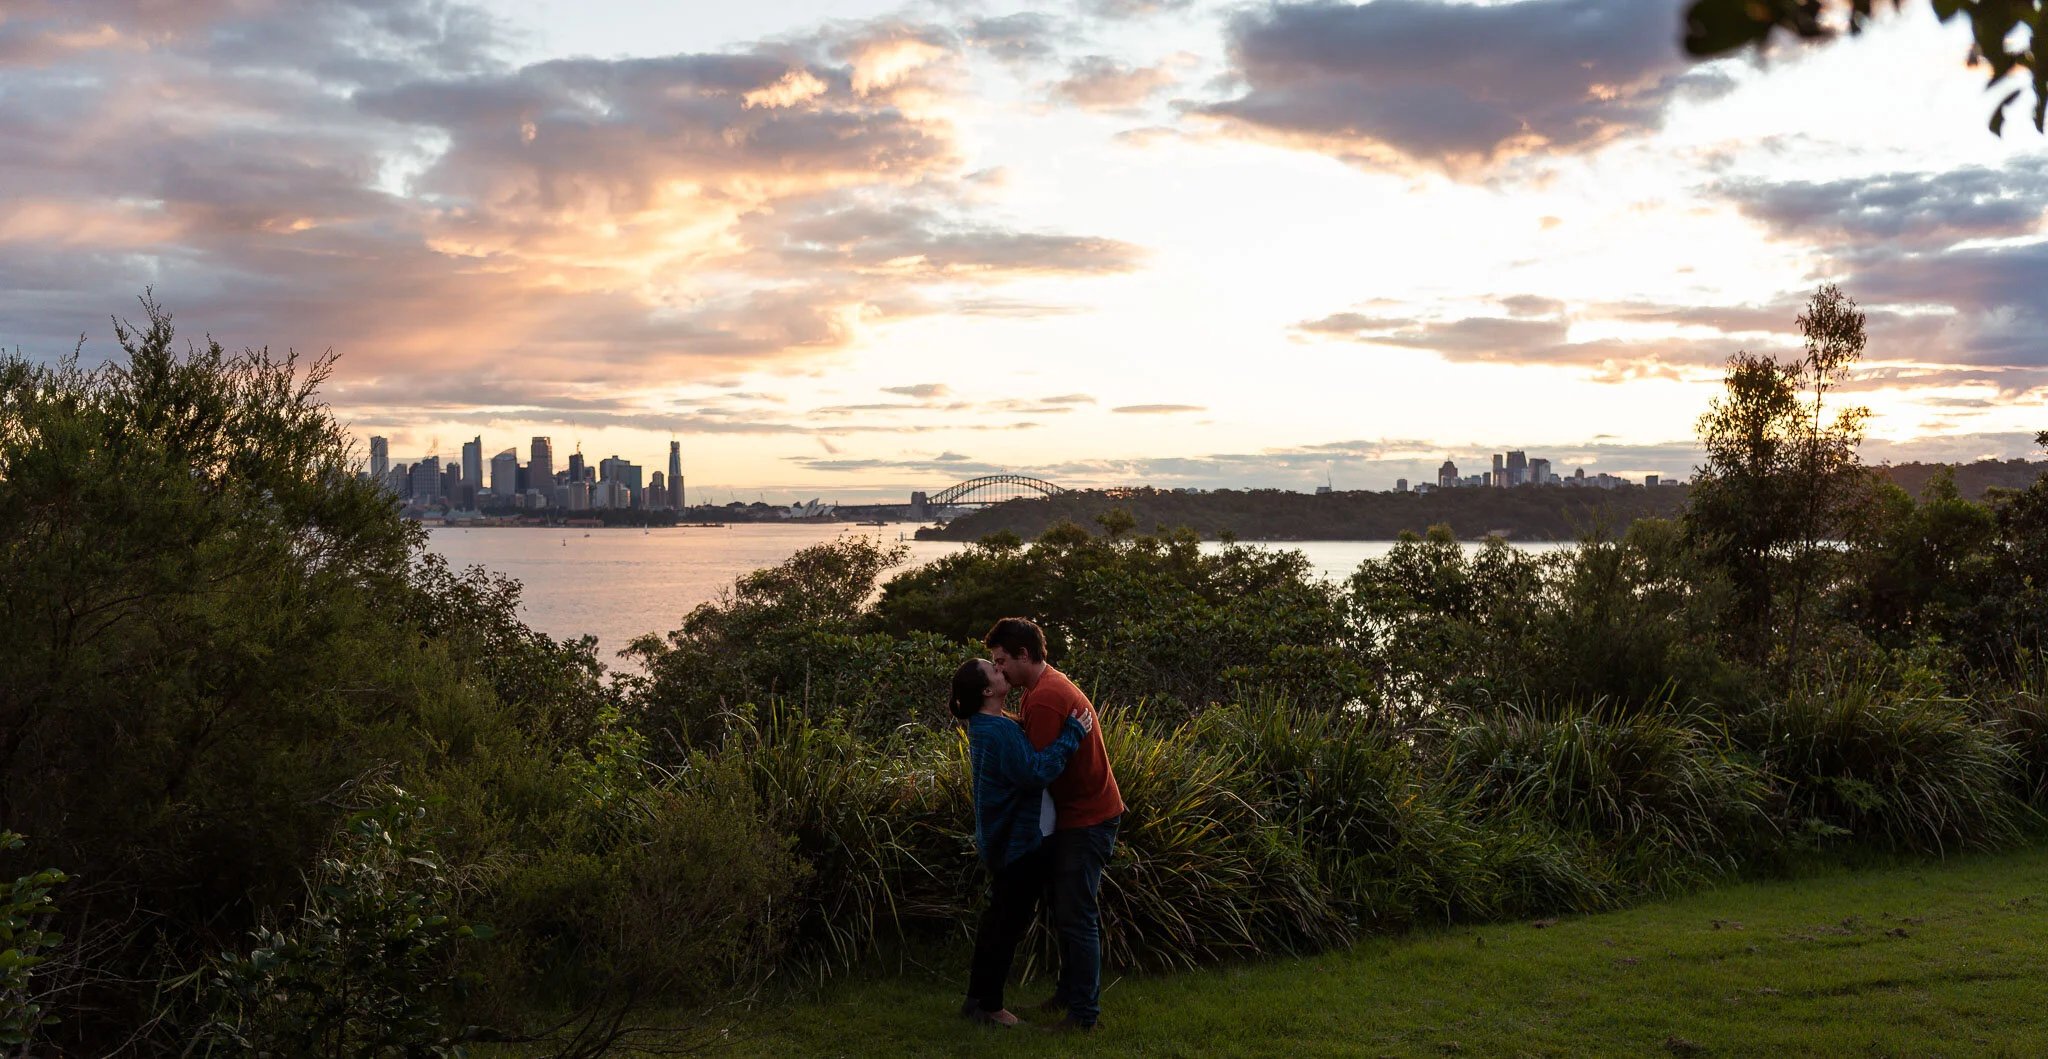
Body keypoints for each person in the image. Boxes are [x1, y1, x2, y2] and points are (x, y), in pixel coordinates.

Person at [985, 617, 1124, 1034]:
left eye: (1002, 661)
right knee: (1067, 914)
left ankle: (1084, 1017)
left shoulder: (1045, 699)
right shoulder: (1042, 688)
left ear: (1024, 655)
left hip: (1087, 819)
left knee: (1077, 917)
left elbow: (1038, 771)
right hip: (1082, 816)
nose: (999, 670)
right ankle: (1068, 995)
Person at [951, 656, 1094, 1028]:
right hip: (1019, 844)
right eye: (994, 670)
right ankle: (991, 1008)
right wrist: (1073, 734)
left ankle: (976, 999)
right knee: (1006, 927)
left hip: (1010, 842)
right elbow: (1035, 773)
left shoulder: (991, 723)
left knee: (997, 921)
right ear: (987, 690)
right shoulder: (995, 731)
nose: (1002, 670)